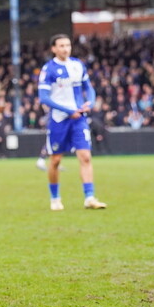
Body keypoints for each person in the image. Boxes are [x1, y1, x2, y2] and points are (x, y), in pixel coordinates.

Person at [37, 34, 107, 211]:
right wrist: (69, 111)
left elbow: (89, 88)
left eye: (67, 45)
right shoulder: (48, 69)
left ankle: (89, 197)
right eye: (61, 46)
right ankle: (55, 198)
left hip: (79, 119)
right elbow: (44, 97)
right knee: (55, 160)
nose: (65, 49)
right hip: (59, 120)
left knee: (85, 156)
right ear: (54, 49)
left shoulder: (77, 65)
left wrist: (89, 103)